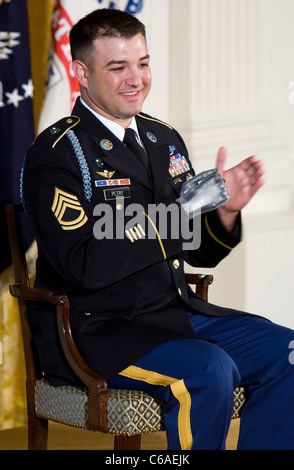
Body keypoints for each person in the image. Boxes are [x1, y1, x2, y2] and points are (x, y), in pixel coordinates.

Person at [22, 8, 294, 450]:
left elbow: (199, 252)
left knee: (288, 352)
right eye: (118, 67)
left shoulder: (162, 138)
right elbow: (82, 264)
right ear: (81, 72)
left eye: (143, 63)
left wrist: (225, 214)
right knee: (209, 371)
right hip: (99, 331)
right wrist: (180, 215)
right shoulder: (56, 154)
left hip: (173, 315)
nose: (137, 79)